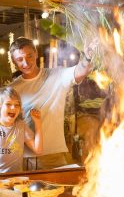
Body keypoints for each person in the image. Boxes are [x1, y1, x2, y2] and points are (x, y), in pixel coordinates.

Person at [9, 37, 93, 169]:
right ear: (14, 61)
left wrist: (87, 57)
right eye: (20, 59)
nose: (26, 62)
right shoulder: (12, 89)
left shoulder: (57, 76)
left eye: (29, 56)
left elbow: (81, 71)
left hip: (53, 156)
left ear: (36, 53)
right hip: (23, 158)